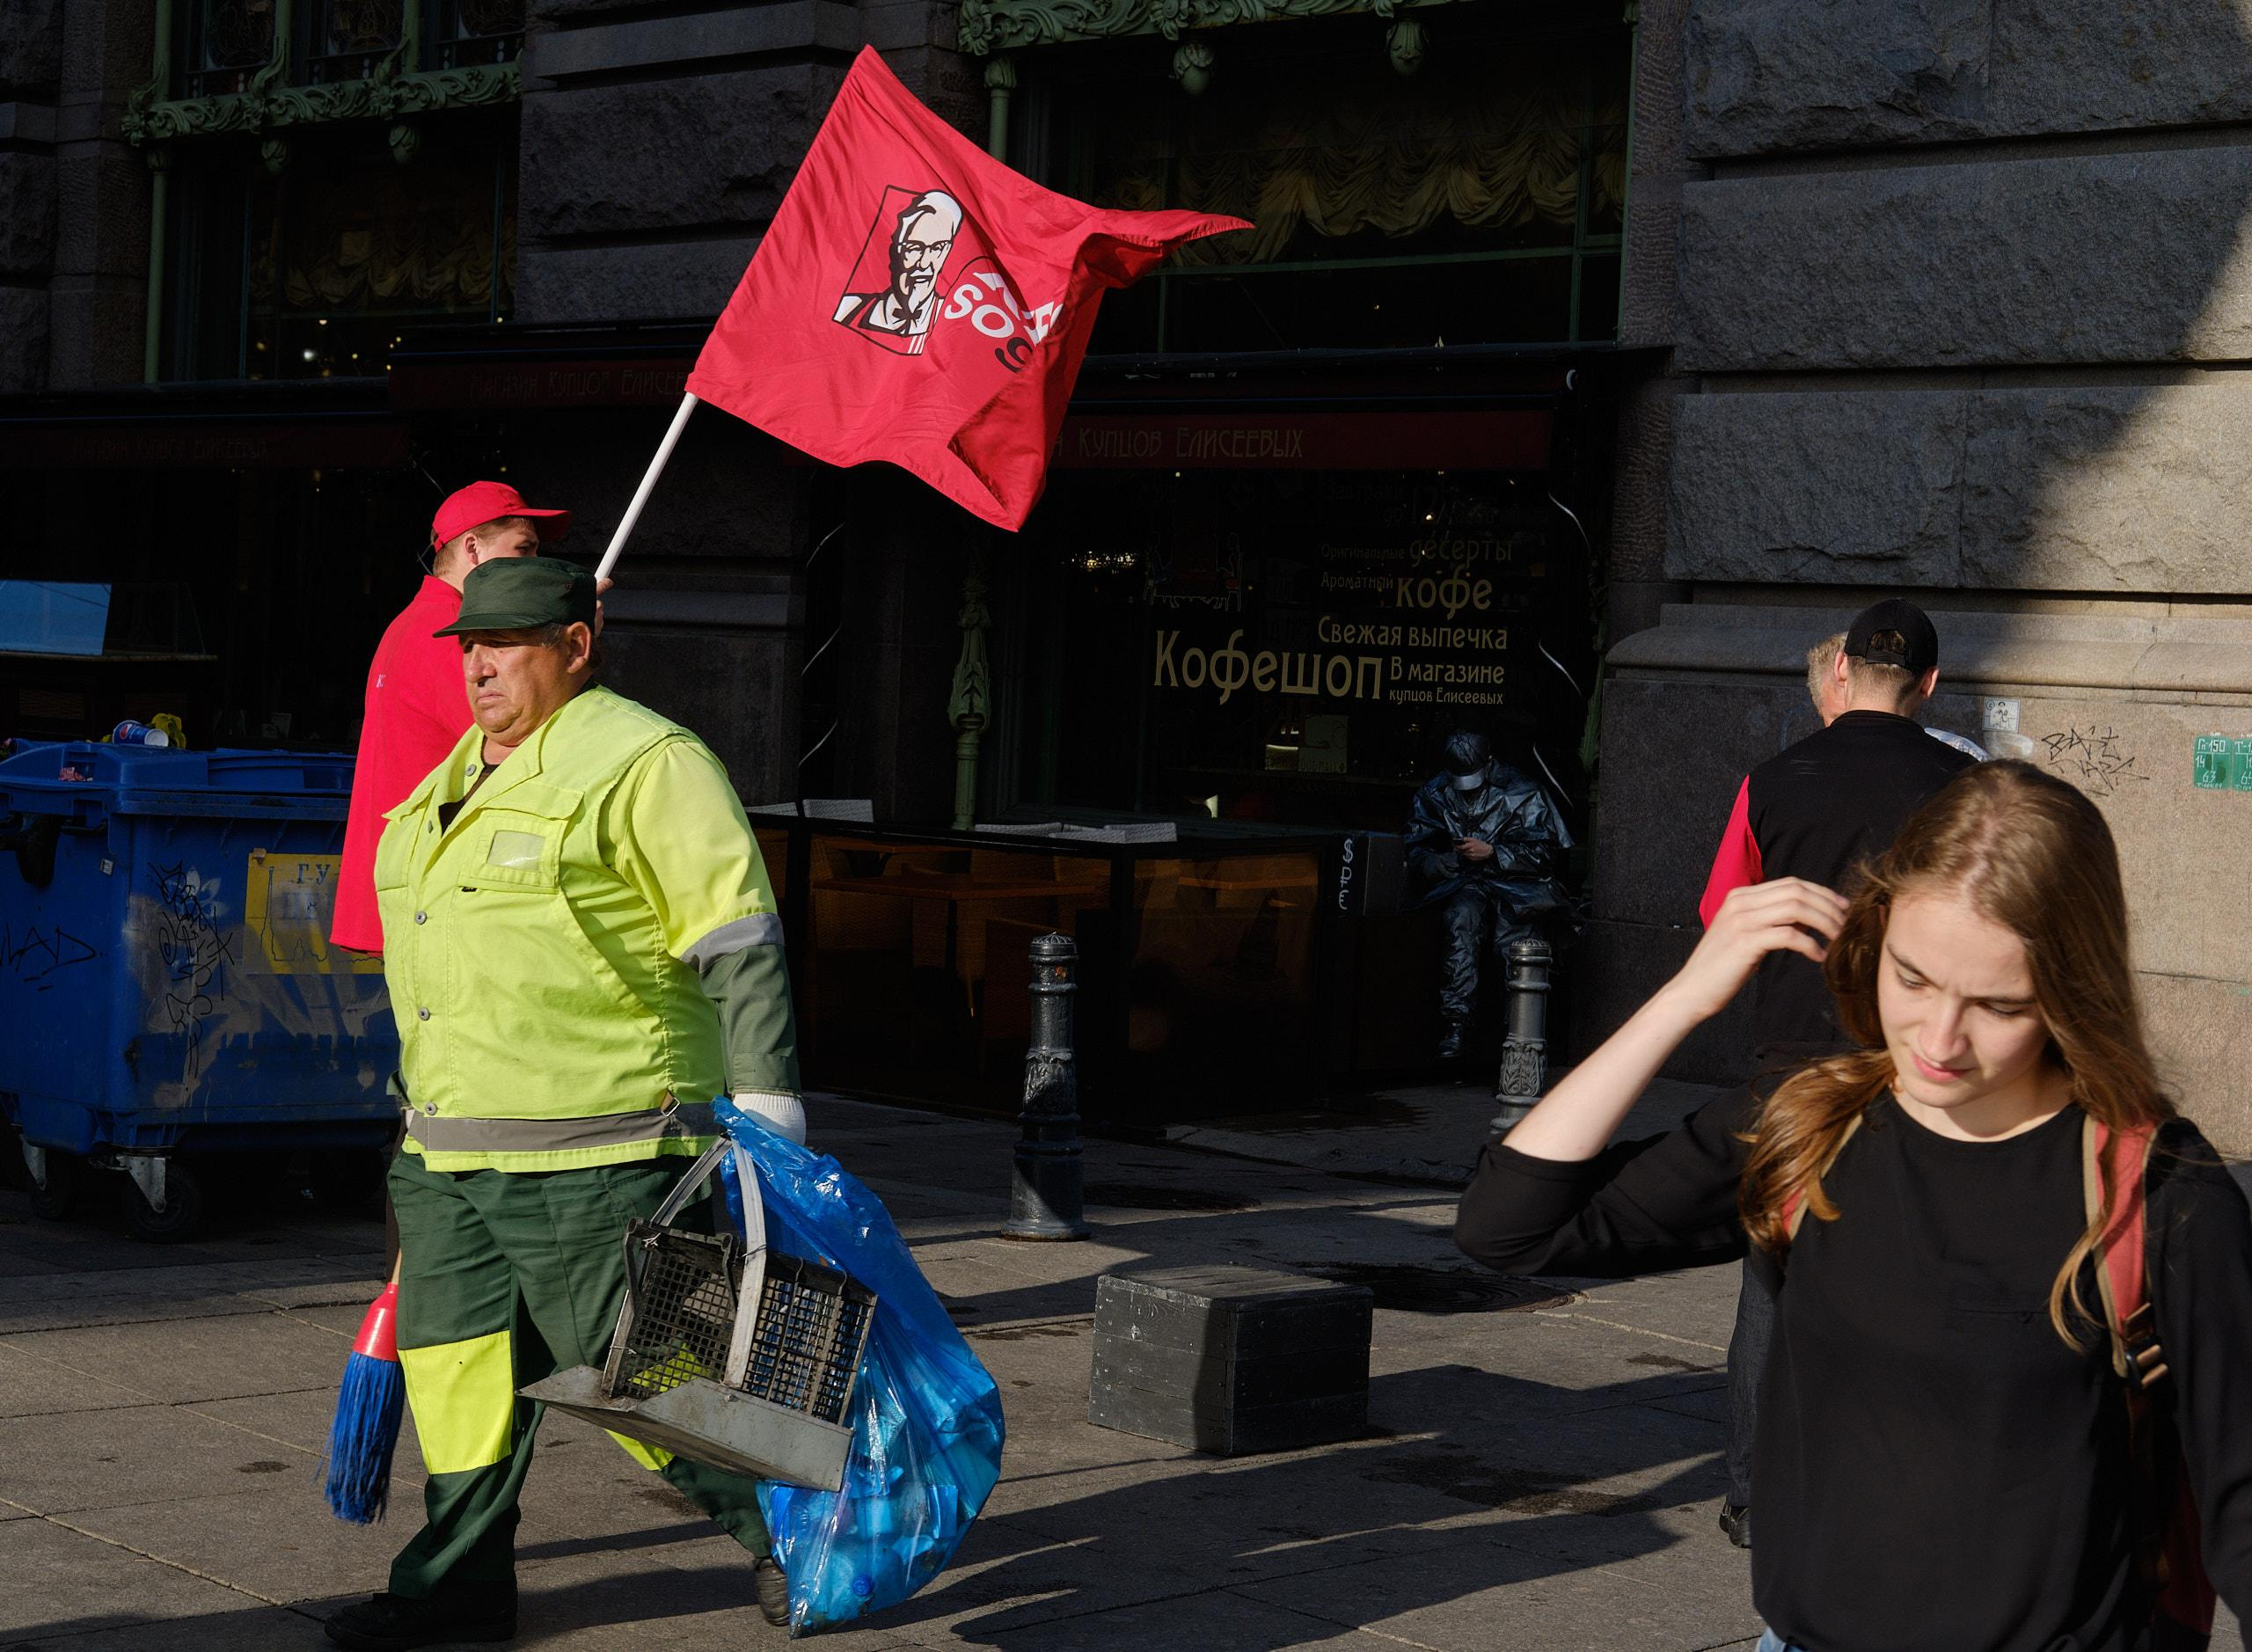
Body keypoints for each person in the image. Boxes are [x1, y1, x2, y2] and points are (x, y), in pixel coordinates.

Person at [1456, 761, 2252, 1652]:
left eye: (1998, 1005)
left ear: (2071, 994)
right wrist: (1688, 993)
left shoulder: (2160, 1196)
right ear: (1874, 935)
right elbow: (1508, 1226)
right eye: (1911, 979)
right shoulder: (1811, 1124)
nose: (1940, 1041)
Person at [325, 559, 806, 1652]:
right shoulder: (451, 779)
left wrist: (769, 1103)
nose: (480, 664)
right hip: (449, 1150)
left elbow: (736, 939)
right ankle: (455, 1586)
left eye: (508, 643)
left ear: (576, 646)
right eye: (468, 647)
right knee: (456, 1382)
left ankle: (805, 1528)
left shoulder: (647, 760)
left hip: (605, 1142)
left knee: (659, 1381)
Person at [1699, 600, 1976, 1546]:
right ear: (1930, 686)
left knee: (1769, 1283)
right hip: (1915, 1068)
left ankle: (1749, 1492)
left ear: (1843, 673)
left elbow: (1720, 918)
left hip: (1788, 1068)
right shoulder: (1965, 788)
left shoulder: (1769, 780)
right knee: (1922, 1277)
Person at [331, 480, 568, 955]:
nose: (535, 566)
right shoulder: (450, 632)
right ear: (474, 549)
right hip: (433, 889)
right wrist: (572, 647)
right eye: (523, 550)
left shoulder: (419, 621)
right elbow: (531, 746)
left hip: (419, 883)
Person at [1404, 730, 1573, 1060]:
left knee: (1515, 941)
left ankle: (1517, 1039)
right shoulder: (1437, 792)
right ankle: (1456, 1023)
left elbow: (1546, 852)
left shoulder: (1523, 791)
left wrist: (1494, 852)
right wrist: (1442, 861)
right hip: (1465, 881)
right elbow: (1416, 849)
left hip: (1518, 887)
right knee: (1460, 922)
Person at [1805, 629, 1988, 758]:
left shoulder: (1961, 760)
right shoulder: (1800, 773)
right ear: (1818, 710)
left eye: (1868, 710)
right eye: (1840, 718)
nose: (1859, 725)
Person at [832, 190, 961, 352]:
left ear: (947, 250)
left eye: (937, 248)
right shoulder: (848, 309)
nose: (924, 263)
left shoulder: (954, 320)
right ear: (896, 249)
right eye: (915, 248)